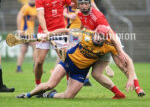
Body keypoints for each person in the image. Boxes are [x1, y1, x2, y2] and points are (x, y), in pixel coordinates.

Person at [16, 26, 145, 99]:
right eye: (97, 35)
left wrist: (130, 78)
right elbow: (66, 30)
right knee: (50, 83)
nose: (98, 39)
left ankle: (49, 96)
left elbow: (127, 60)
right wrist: (48, 34)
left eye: (102, 37)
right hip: (68, 62)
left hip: (81, 71)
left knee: (68, 96)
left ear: (105, 39)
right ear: (95, 33)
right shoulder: (85, 34)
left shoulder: (109, 46)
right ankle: (26, 95)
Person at [63, 0, 114, 85]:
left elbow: (94, 7)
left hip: (87, 29)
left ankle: (86, 77)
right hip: (73, 29)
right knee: (70, 55)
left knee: (88, 51)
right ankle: (71, 81)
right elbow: (61, 10)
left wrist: (101, 19)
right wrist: (68, 16)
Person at [34, 0, 75, 86]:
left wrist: (75, 7)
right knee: (39, 62)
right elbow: (40, 16)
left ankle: (69, 86)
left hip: (60, 33)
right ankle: (38, 85)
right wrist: (46, 31)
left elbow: (74, 5)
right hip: (44, 33)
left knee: (66, 60)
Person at [16, 0, 38, 72]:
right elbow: (19, 17)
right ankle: (35, 67)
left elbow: (36, 18)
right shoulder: (26, 7)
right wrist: (19, 30)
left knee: (23, 49)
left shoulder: (35, 8)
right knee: (36, 46)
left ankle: (18, 68)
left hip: (29, 31)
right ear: (29, 0)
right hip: (26, 31)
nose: (34, 1)